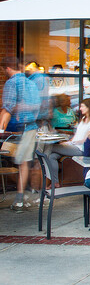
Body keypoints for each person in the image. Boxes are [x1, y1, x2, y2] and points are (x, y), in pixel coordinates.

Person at [0, 56, 40, 211]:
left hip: (15, 129)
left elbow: (7, 108)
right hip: (30, 127)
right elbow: (37, 107)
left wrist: (1, 129)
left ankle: (19, 199)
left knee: (16, 161)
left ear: (7, 69)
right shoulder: (31, 84)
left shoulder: (12, 82)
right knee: (24, 163)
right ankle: (21, 196)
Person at [46, 99, 90, 181]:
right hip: (73, 146)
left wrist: (71, 143)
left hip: (80, 149)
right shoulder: (83, 119)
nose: (80, 108)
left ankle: (42, 170)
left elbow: (87, 140)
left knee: (51, 147)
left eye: (82, 106)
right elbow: (77, 135)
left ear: (88, 108)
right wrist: (68, 142)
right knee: (52, 156)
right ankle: (55, 182)